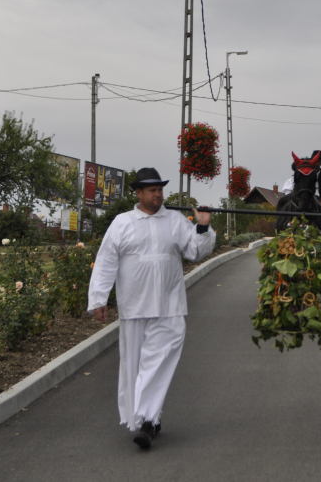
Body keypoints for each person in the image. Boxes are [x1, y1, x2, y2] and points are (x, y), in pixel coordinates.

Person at [87, 167, 216, 449]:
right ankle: (148, 419)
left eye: (160, 190)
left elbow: (196, 251)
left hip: (169, 305)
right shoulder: (122, 223)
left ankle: (147, 420)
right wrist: (98, 299)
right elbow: (107, 261)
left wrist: (203, 226)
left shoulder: (175, 220)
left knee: (157, 361)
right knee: (134, 367)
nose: (158, 195)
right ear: (139, 193)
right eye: (152, 190)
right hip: (134, 307)